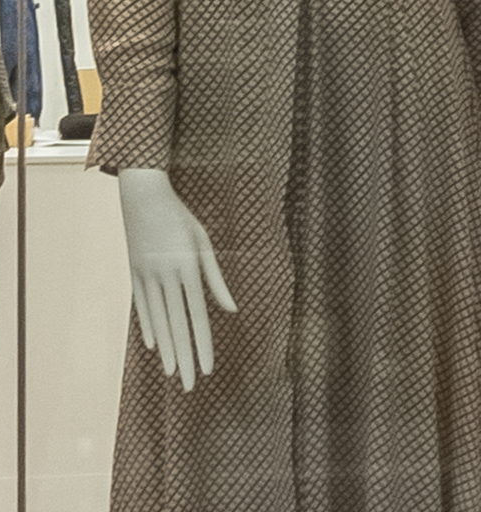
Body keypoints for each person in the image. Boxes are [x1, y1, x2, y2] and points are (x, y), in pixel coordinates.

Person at [85, 1, 481, 510]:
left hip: (406, 93)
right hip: (230, 89)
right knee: (225, 376)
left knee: (392, 353)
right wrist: (140, 165)